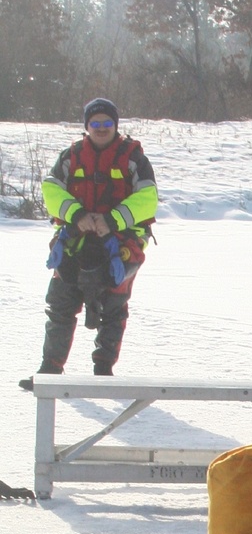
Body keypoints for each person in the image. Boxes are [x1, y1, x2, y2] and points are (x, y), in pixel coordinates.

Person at [36, 99, 158, 377]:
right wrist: (78, 216)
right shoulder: (71, 156)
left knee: (113, 307)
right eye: (95, 124)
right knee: (61, 303)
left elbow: (148, 198)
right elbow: (51, 190)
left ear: (115, 125)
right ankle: (49, 370)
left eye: (107, 123)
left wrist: (111, 220)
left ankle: (103, 369)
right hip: (75, 239)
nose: (101, 129)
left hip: (121, 242)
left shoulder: (133, 157)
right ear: (87, 126)